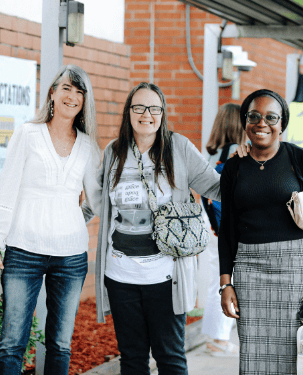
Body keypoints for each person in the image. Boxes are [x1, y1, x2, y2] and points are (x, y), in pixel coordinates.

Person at [90, 82, 221, 375]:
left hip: (165, 276)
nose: (146, 114)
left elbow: (214, 186)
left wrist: (246, 171)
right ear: (128, 112)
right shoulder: (114, 151)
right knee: (132, 359)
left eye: (154, 108)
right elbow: (95, 199)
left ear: (162, 113)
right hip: (120, 275)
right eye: (138, 107)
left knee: (170, 358)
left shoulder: (178, 148)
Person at [0, 64, 101, 374]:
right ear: (52, 92)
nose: (72, 96)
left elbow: (98, 200)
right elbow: (6, 189)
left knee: (60, 345)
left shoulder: (88, 146)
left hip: (72, 256)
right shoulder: (28, 134)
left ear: (85, 101)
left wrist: (74, 216)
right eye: (66, 88)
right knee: (12, 344)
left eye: (79, 92)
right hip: (24, 250)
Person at [218, 89, 303, 374]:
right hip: (249, 270)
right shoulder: (234, 167)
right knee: (253, 355)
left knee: (291, 352)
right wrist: (225, 283)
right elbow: (228, 229)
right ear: (245, 122)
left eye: (271, 117)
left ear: (282, 123)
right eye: (254, 116)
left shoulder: (301, 159)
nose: (262, 123)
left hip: (294, 271)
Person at [201, 103, 244, 357]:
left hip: (212, 226)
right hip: (222, 228)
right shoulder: (232, 155)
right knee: (227, 282)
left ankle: (216, 337)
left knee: (218, 282)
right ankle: (218, 338)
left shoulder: (212, 153)